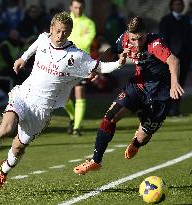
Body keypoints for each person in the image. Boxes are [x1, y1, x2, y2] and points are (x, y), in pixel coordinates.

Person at [0, 12, 127, 191]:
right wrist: (23, 58)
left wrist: (119, 64)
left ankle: (3, 171)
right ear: (51, 29)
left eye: (65, 32)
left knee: (18, 147)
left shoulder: (76, 56)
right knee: (6, 128)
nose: (60, 35)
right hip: (23, 96)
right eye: (57, 31)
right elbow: (35, 45)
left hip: (42, 110)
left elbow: (99, 66)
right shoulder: (43, 39)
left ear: (69, 32)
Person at [73, 16, 184, 175]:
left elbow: (174, 61)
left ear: (146, 33)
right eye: (133, 39)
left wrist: (174, 83)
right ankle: (95, 161)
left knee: (143, 136)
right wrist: (97, 68)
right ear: (128, 35)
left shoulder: (155, 44)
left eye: (140, 38)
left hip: (160, 95)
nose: (137, 43)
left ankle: (136, 143)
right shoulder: (124, 39)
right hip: (137, 88)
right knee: (109, 117)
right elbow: (111, 51)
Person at [65, 0, 96, 136]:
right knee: (63, 96)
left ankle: (77, 127)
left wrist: (70, 43)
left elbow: (85, 42)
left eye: (80, 7)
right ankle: (73, 117)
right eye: (75, 7)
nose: (78, 10)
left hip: (81, 63)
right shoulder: (64, 20)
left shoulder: (89, 23)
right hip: (64, 62)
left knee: (79, 93)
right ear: (71, 7)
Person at [159, 0, 192, 117]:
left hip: (185, 56)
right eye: (176, 4)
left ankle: (175, 109)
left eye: (180, 4)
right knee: (169, 83)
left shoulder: (186, 19)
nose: (178, 6)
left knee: (180, 83)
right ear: (171, 6)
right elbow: (163, 39)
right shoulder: (166, 20)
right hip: (171, 57)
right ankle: (166, 109)